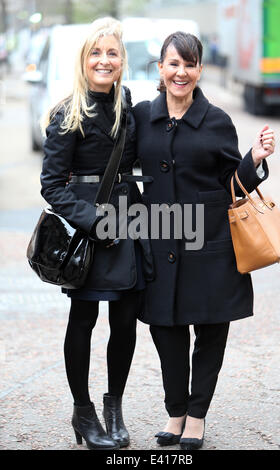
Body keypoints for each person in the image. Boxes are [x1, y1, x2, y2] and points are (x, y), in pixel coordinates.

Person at [133, 32, 275, 450]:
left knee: (210, 333)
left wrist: (254, 160)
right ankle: (175, 413)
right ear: (160, 68)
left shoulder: (217, 121)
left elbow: (232, 184)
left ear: (200, 70)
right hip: (159, 243)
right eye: (174, 63)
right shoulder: (142, 116)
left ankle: (196, 418)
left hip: (210, 246)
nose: (182, 72)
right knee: (166, 333)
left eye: (190, 64)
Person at [40, 17, 154, 450]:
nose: (104, 60)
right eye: (96, 53)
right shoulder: (68, 112)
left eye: (111, 53)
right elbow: (51, 186)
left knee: (125, 322)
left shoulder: (128, 105)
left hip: (130, 224)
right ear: (84, 60)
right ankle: (83, 413)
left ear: (122, 60)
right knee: (84, 321)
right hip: (90, 232)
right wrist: (92, 220)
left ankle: (114, 408)